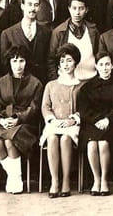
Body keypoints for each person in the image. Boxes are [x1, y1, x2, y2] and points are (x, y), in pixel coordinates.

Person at [0, 46, 44, 194]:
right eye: (14, 61)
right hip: (3, 122)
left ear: (26, 62)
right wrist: (1, 120)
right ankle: (13, 176)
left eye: (21, 61)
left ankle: (16, 178)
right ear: (9, 62)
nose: (18, 65)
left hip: (25, 124)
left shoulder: (35, 83)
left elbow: (34, 108)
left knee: (9, 141)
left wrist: (17, 119)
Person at [77, 52, 113, 196]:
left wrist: (108, 119)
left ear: (112, 65)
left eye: (107, 64)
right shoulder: (88, 87)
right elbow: (84, 109)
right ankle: (96, 179)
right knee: (92, 144)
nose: (104, 68)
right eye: (101, 64)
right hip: (93, 123)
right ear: (96, 66)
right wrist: (96, 120)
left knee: (103, 143)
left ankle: (105, 179)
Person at [40, 43, 82, 198]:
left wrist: (73, 120)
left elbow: (84, 108)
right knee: (52, 138)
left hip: (72, 125)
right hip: (55, 123)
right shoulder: (51, 85)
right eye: (62, 61)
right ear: (58, 64)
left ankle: (66, 180)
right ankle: (55, 180)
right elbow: (45, 107)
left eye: (69, 60)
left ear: (76, 63)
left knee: (65, 139)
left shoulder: (81, 86)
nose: (66, 64)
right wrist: (52, 120)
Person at [0, 0, 52, 84]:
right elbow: (4, 63)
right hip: (16, 83)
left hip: (40, 81)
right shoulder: (8, 33)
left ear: (39, 8)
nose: (32, 8)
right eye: (29, 4)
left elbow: (48, 60)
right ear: (22, 6)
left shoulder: (46, 32)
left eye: (36, 5)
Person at [49, 0, 100, 81]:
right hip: (68, 81)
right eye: (74, 8)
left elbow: (99, 54)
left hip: (91, 79)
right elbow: (51, 59)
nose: (77, 13)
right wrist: (57, 81)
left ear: (86, 10)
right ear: (69, 9)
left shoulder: (93, 30)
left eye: (81, 8)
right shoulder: (59, 32)